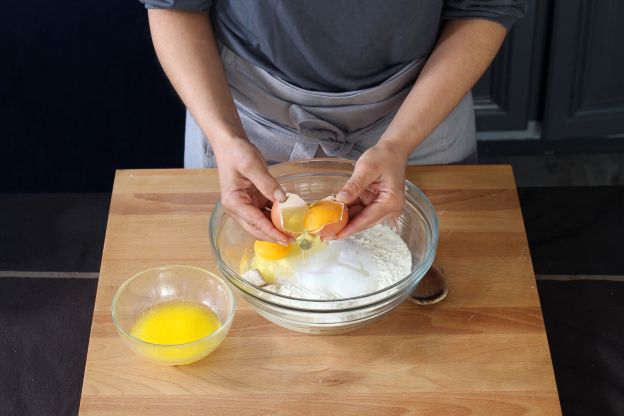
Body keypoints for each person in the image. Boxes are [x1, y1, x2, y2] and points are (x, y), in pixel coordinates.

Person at [140, 0, 526, 245]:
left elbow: (483, 8)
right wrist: (226, 139)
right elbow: (175, 6)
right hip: (243, 120)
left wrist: (398, 144)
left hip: (420, 108)